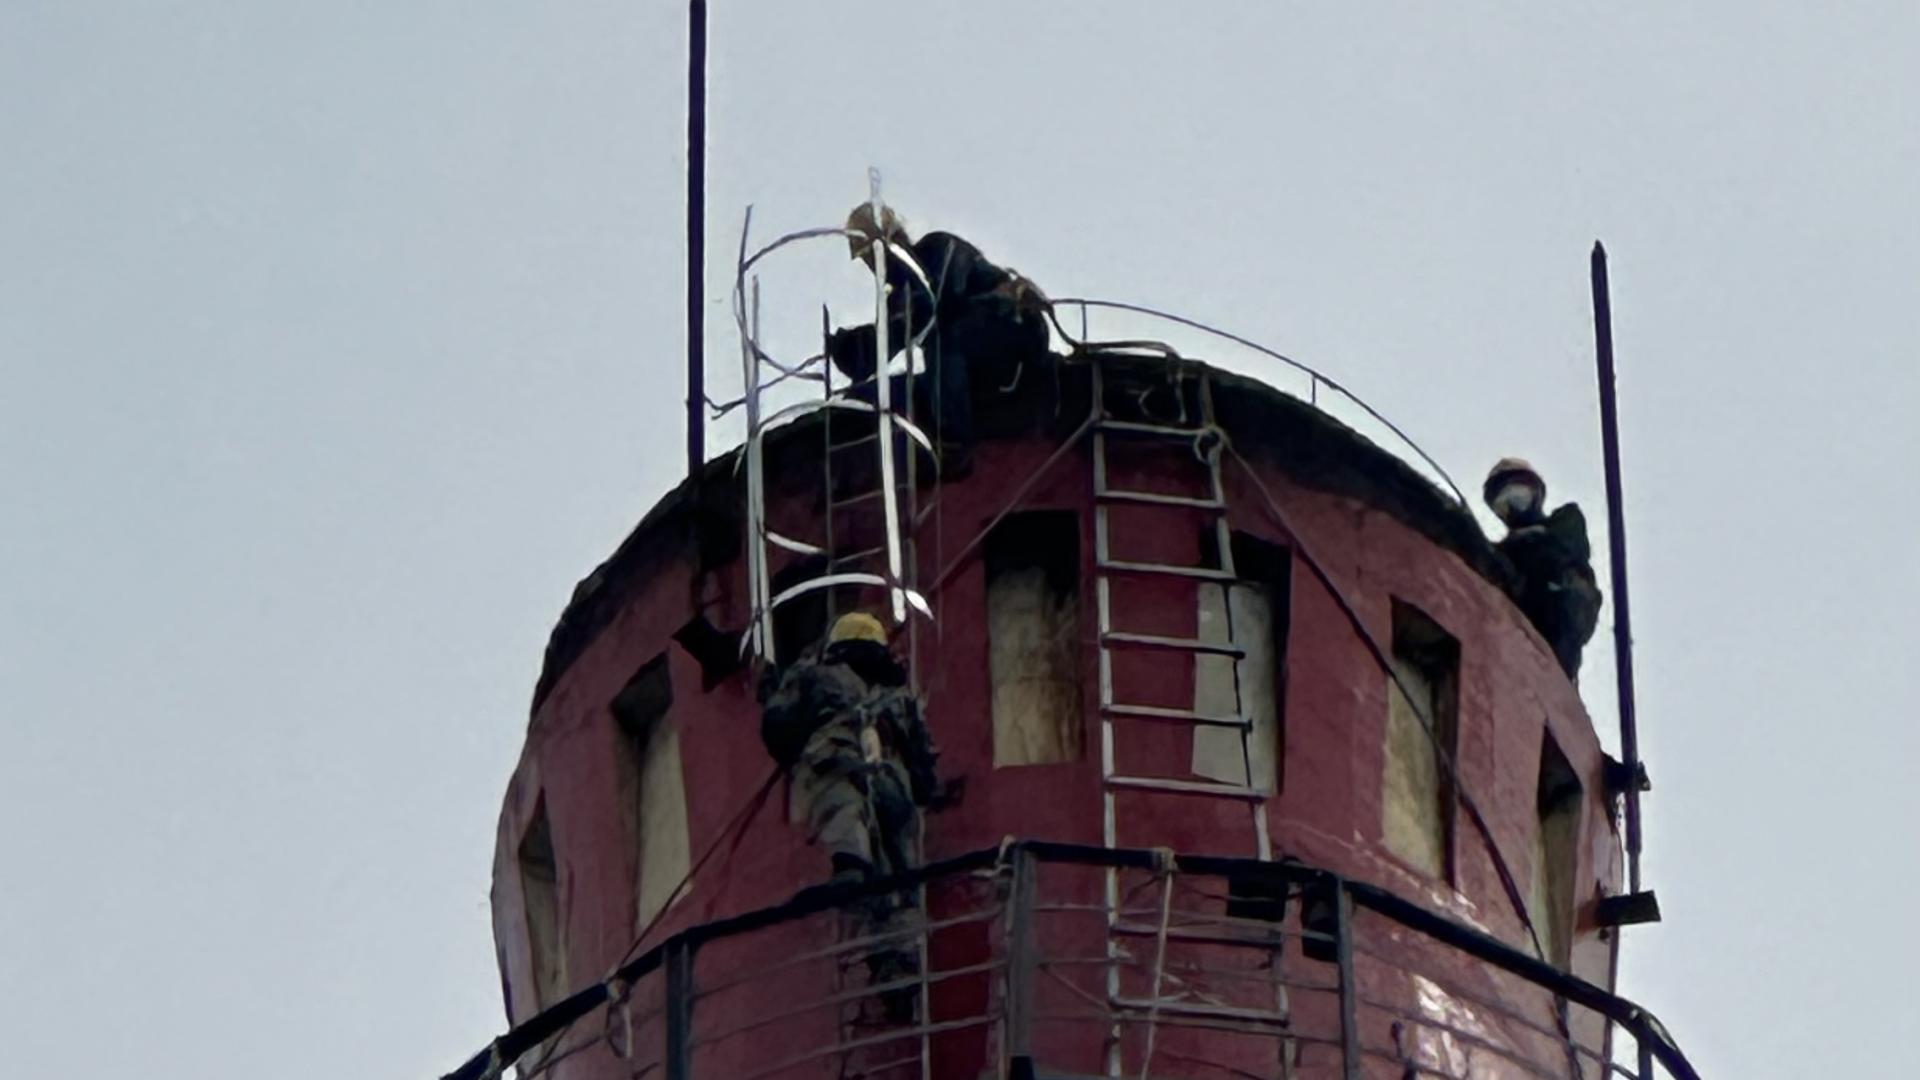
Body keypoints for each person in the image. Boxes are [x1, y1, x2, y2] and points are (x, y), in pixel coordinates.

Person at [758, 610, 942, 1021]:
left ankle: (850, 863)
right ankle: (901, 968)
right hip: (894, 784)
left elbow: (779, 725)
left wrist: (771, 689)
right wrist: (930, 793)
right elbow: (924, 764)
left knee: (841, 805)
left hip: (840, 757)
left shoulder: (818, 677)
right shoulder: (900, 699)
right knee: (901, 874)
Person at [825, 203, 1054, 477]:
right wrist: (855, 352)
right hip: (975, 355)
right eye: (867, 260)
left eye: (874, 255)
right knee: (905, 386)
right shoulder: (901, 296)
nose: (875, 266)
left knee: (946, 338)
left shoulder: (939, 249)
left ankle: (953, 443)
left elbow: (934, 306)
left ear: (893, 241)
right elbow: (890, 338)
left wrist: (888, 330)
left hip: (1015, 326)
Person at [1484, 458, 1603, 678]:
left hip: (1560, 615)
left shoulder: (1565, 521)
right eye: (1502, 502)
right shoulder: (1499, 555)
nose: (1511, 506)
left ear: (1536, 494)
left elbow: (1562, 548)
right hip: (1523, 635)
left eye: (1517, 496)